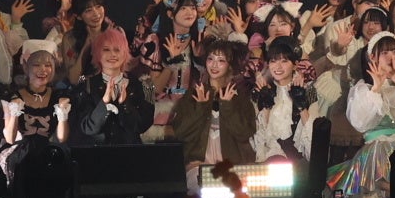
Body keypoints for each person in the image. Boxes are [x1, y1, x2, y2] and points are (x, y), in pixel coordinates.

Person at [333, 32, 395, 198]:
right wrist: (376, 89)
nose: (391, 56)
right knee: (374, 197)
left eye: (394, 51)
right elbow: (360, 122)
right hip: (375, 150)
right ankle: (388, 187)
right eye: (385, 52)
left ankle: (393, 188)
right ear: (372, 57)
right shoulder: (364, 89)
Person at [170, 40, 257, 170]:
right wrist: (200, 107)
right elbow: (180, 132)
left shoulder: (239, 96)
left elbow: (245, 133)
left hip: (232, 165)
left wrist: (227, 107)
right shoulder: (195, 93)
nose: (214, 65)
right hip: (198, 164)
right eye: (210, 59)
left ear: (229, 65)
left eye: (221, 60)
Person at [70, 26, 154, 148]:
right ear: (97, 53)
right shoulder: (85, 85)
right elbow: (87, 128)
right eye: (106, 50)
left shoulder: (145, 84)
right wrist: (104, 103)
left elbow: (143, 125)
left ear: (125, 53)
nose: (112, 54)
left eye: (117, 50)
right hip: (97, 154)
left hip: (130, 153)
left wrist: (125, 105)